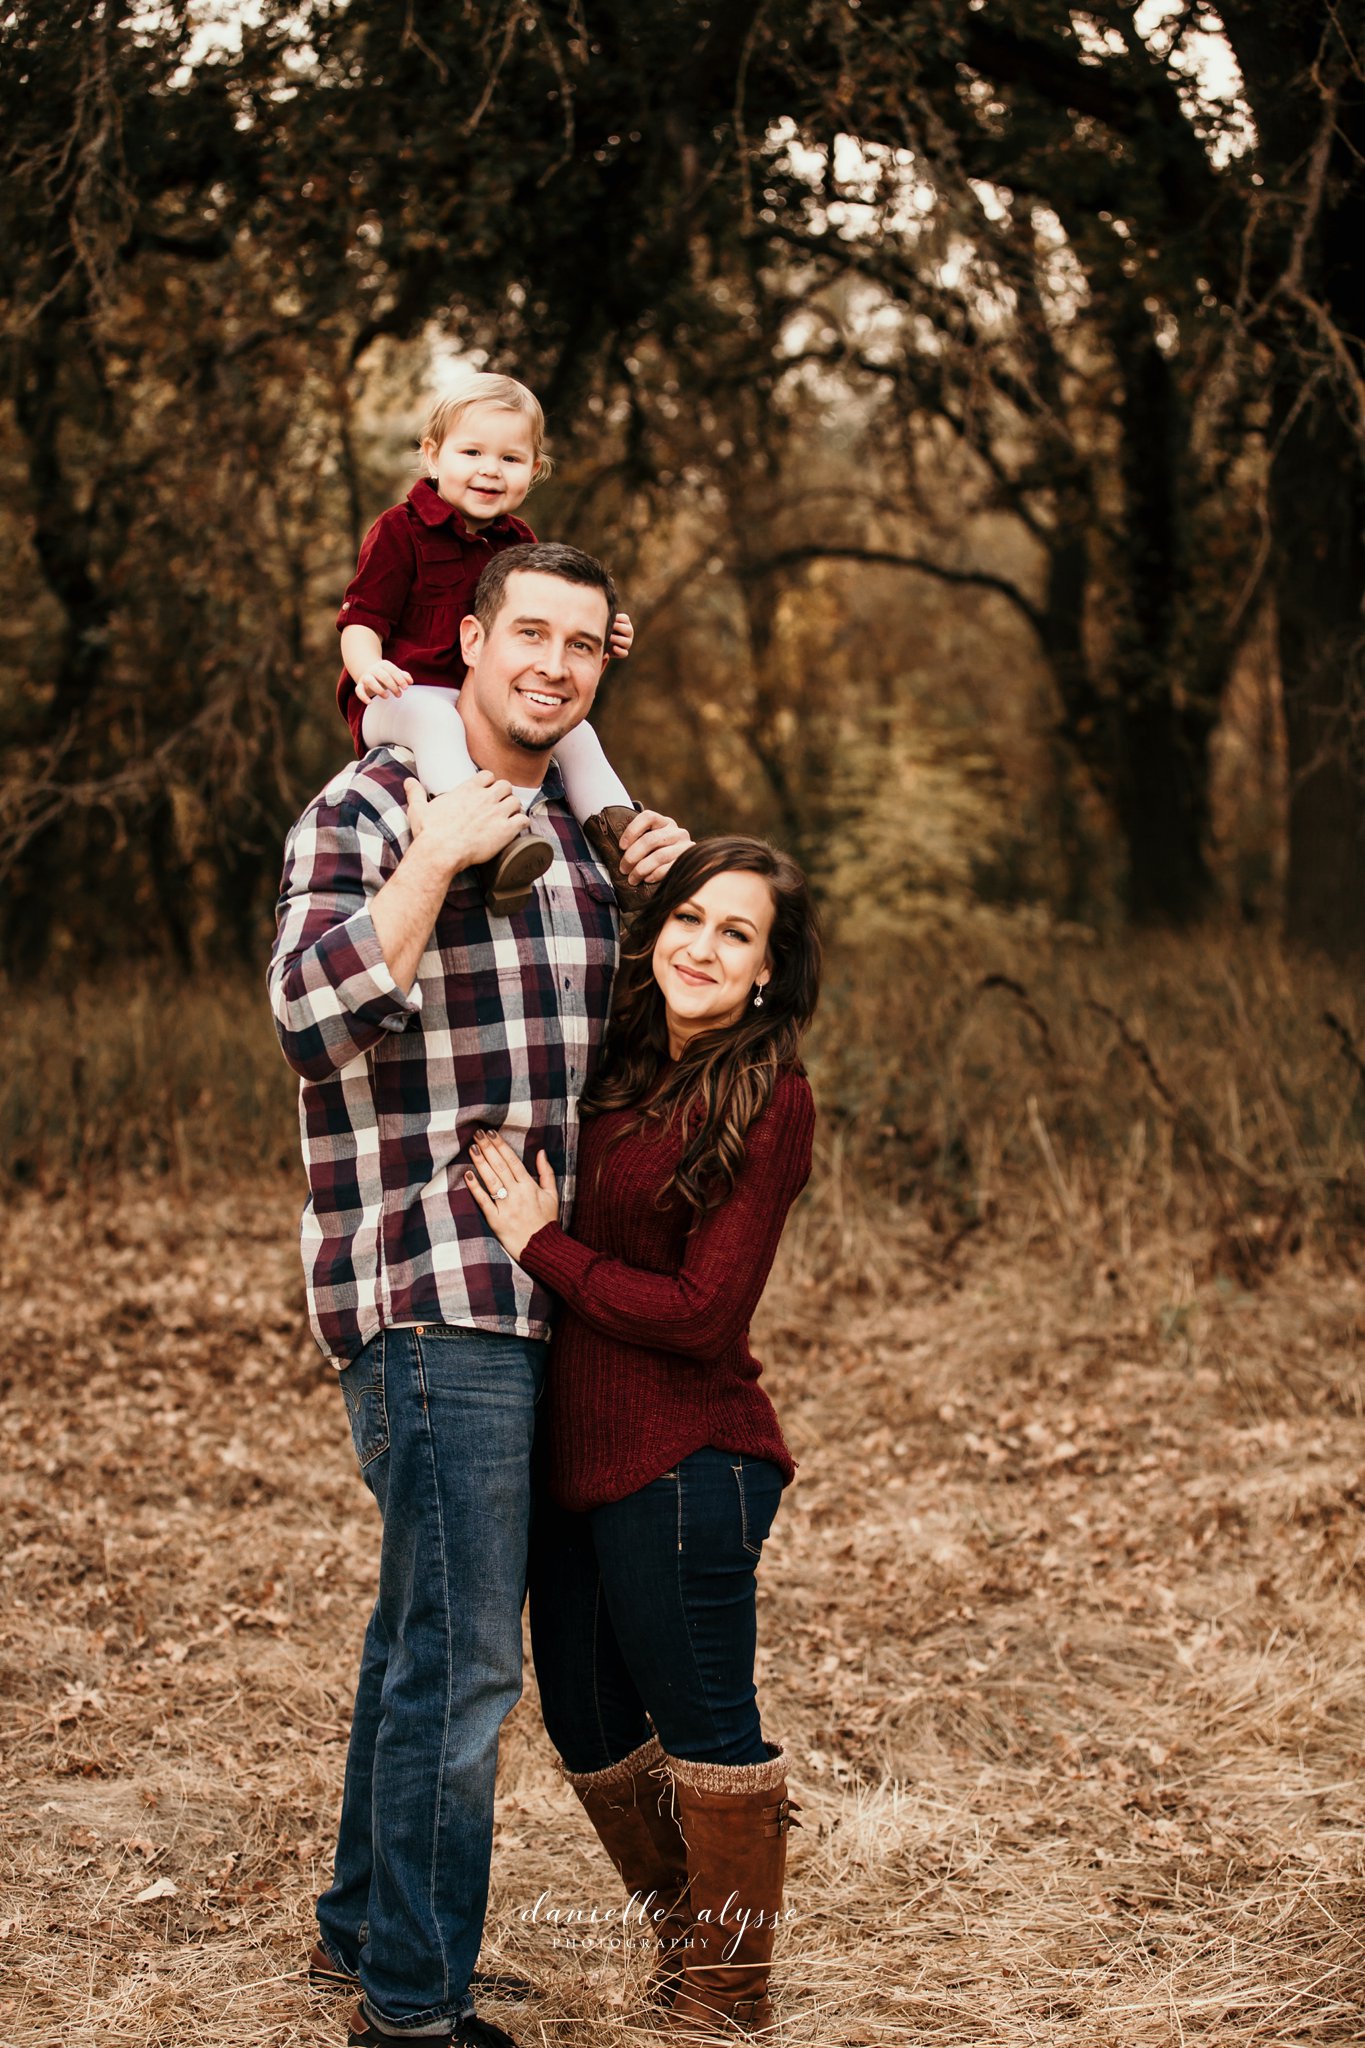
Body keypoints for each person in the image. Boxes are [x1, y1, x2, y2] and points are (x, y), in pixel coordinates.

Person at [268, 541, 690, 2048]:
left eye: (584, 645)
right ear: (472, 640)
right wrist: (438, 851)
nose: (556, 665)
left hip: (545, 1292)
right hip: (429, 1283)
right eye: (531, 634)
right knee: (463, 1662)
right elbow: (310, 1017)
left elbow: (641, 1057)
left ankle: (369, 1936)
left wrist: (679, 886)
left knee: (418, 1636)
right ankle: (415, 2009)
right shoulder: (371, 806)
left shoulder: (585, 841)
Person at [464, 835, 821, 2039]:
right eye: (688, 917)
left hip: (689, 1459)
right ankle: (690, 1945)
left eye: (738, 932)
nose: (702, 946)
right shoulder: (620, 1061)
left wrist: (542, 1243)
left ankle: (728, 1997)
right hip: (577, 1460)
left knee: (710, 1730)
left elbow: (703, 1311)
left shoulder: (770, 1092)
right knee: (588, 1723)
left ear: (770, 971)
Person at [335, 371, 642, 915]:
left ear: (534, 471)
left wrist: (606, 633)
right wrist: (367, 669)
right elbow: (362, 618)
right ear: (433, 456)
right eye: (472, 451)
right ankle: (499, 847)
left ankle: (628, 857)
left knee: (579, 733)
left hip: (472, 700)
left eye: (509, 458)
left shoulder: (520, 542)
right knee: (435, 722)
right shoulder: (399, 530)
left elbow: (549, 619)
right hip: (398, 697)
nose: (489, 470)